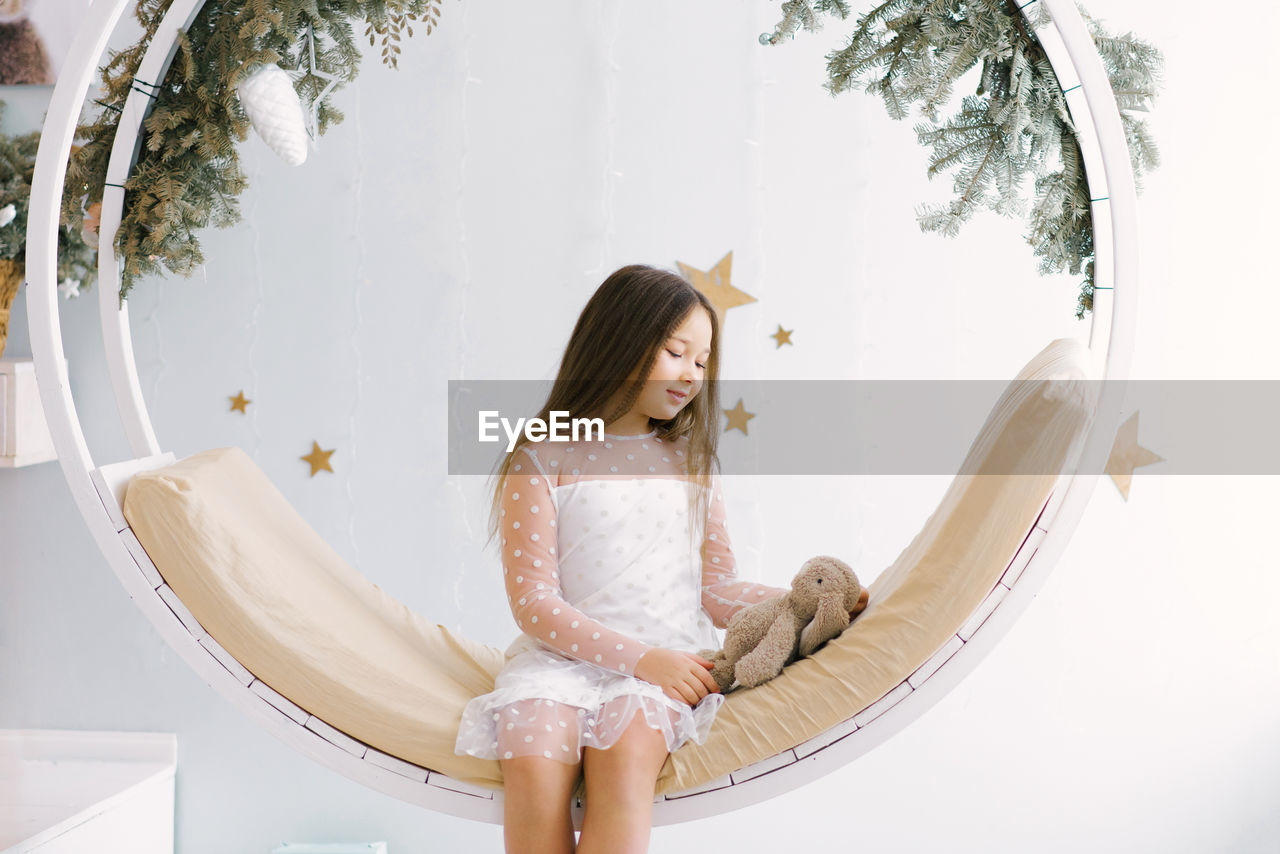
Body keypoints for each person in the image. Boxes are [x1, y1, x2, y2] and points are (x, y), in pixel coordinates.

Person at [454, 264, 865, 853]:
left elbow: (717, 589)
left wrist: (804, 602)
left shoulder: (691, 464)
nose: (692, 375)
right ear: (619, 341)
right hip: (561, 663)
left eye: (703, 362)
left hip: (667, 672)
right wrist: (641, 658)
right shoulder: (542, 457)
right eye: (676, 352)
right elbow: (534, 604)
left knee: (624, 758)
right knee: (534, 754)